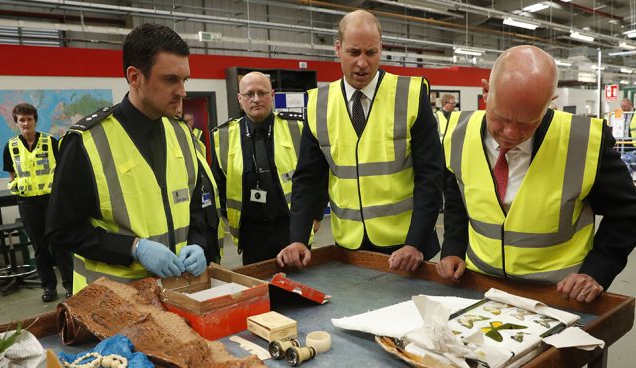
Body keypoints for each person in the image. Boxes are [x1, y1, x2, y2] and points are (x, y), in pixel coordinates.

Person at [437, 45, 636, 303]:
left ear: (550, 103)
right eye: (501, 117)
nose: (511, 133)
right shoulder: (459, 132)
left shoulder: (583, 142)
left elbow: (627, 213)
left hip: (558, 297)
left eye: (527, 122)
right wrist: (452, 248)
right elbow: (457, 197)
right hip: (480, 288)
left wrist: (596, 271)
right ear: (486, 91)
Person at [46, 23, 222, 294]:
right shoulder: (87, 142)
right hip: (114, 304)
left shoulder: (182, 135)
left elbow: (198, 206)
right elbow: (62, 231)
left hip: (178, 293)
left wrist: (199, 243)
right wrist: (134, 248)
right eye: (170, 79)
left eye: (184, 79)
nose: (182, 91)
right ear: (135, 77)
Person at [277, 10, 443, 271]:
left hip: (407, 248)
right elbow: (308, 180)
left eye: (371, 52)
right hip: (348, 246)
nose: (363, 63)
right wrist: (298, 239)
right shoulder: (318, 104)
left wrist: (416, 243)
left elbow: (431, 176)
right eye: (354, 53)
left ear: (381, 48)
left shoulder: (410, 94)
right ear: (338, 49)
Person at [211, 71, 320, 264]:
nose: (256, 99)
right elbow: (218, 186)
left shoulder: (298, 127)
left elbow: (316, 175)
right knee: (261, 289)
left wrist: (317, 214)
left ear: (272, 95)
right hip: (252, 234)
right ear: (239, 98)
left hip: (292, 228)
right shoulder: (222, 136)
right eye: (249, 94)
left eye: (262, 93)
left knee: (299, 288)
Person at [3, 103, 73, 302]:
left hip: (51, 201)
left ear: (35, 120)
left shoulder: (50, 141)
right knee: (40, 247)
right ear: (16, 122)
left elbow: (61, 170)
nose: (26, 123)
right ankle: (48, 288)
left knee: (59, 244)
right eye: (22, 120)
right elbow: (12, 175)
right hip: (27, 203)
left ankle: (70, 285)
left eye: (29, 119)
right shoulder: (11, 146)